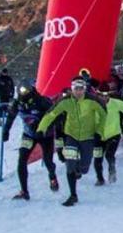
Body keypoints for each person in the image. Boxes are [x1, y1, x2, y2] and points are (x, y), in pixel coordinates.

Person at [36, 76, 107, 206]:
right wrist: (41, 128)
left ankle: (79, 170)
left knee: (85, 167)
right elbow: (51, 114)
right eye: (75, 89)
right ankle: (73, 195)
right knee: (70, 165)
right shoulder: (65, 101)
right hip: (71, 136)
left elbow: (103, 114)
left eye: (81, 89)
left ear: (85, 89)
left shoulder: (93, 100)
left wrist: (99, 131)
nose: (78, 92)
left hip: (88, 136)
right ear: (71, 88)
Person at [2, 80, 58, 199]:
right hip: (28, 135)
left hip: (45, 135)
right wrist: (6, 131)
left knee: (48, 161)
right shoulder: (17, 103)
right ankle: (24, 190)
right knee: (22, 160)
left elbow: (54, 116)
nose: (24, 98)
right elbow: (11, 117)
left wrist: (41, 125)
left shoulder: (42, 101)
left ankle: (52, 177)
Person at [94, 92, 123, 186]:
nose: (104, 98)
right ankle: (100, 178)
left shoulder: (115, 103)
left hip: (113, 134)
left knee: (109, 154)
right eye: (101, 96)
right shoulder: (93, 104)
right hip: (98, 135)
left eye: (106, 96)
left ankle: (112, 170)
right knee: (98, 157)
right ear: (97, 95)